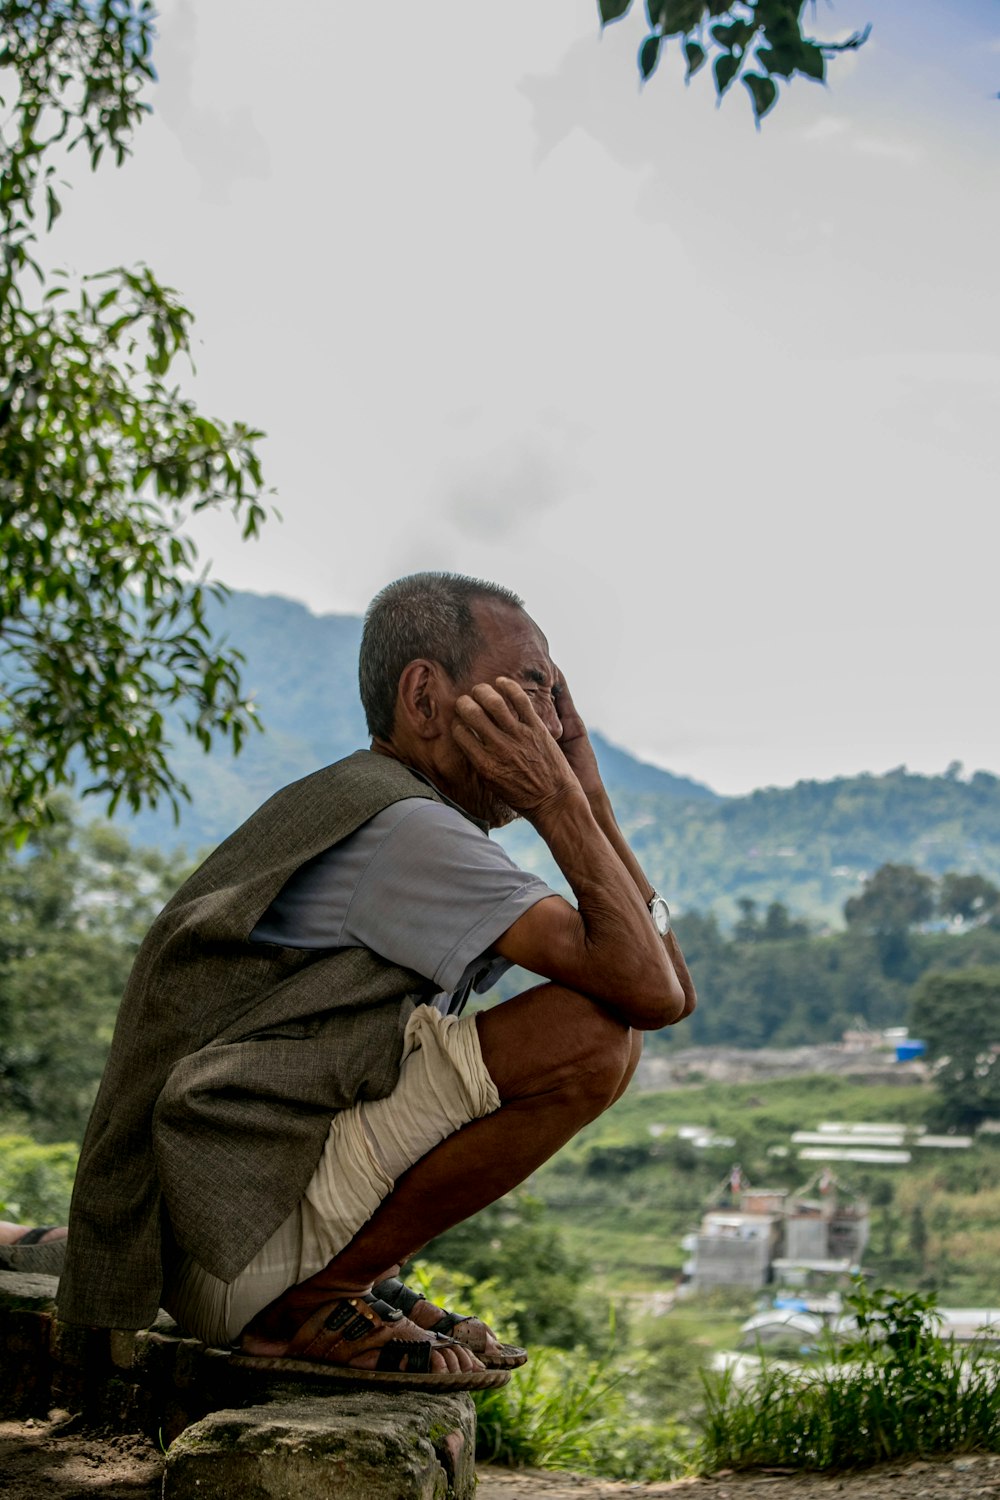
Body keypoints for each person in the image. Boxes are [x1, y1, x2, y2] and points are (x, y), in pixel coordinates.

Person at [56, 572, 695, 1389]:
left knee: (605, 1026)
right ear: (425, 699)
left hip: (221, 1224)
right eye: (531, 689)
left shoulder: (382, 805)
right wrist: (563, 801)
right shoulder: (408, 830)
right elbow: (646, 996)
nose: (552, 721)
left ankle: (338, 1276)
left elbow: (666, 986)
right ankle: (318, 1297)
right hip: (238, 1242)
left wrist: (588, 791)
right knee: (591, 1039)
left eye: (555, 701)